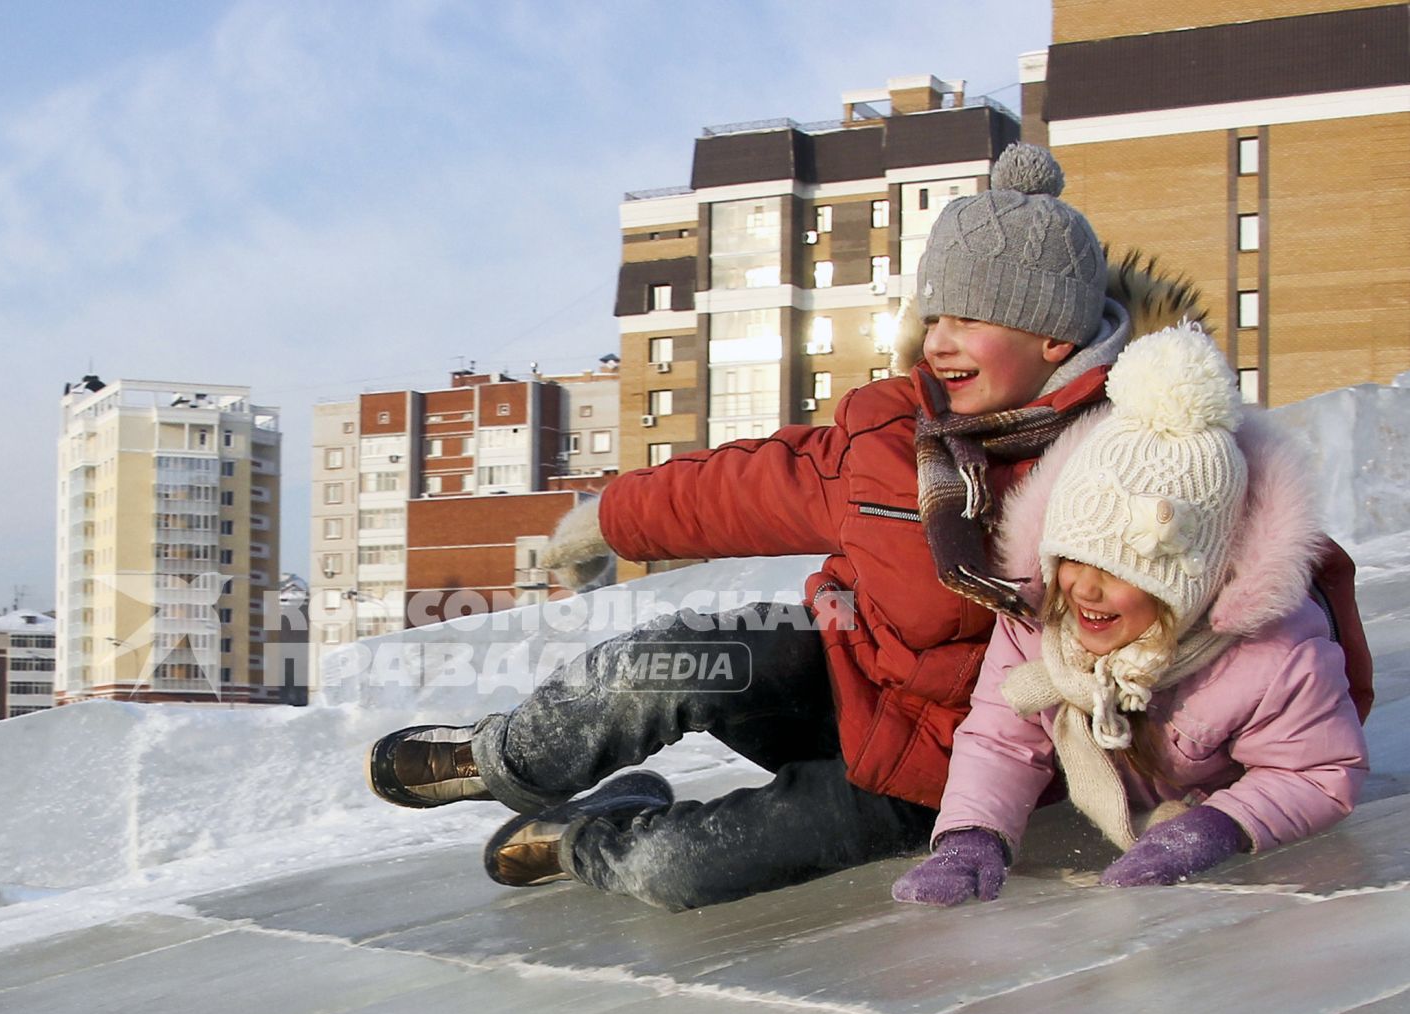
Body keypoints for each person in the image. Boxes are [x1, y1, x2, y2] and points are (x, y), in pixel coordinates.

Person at [368, 143, 1193, 911]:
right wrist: (612, 518)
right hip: (842, 678)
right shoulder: (894, 431)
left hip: (945, 777)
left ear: (1052, 334)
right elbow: (752, 485)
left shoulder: (1137, 463)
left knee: (676, 871)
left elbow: (1262, 599)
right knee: (663, 661)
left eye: (966, 321)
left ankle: (591, 839)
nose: (936, 344)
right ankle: (506, 758)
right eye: (932, 318)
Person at [892, 324, 1367, 905]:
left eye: (1120, 572)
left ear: (1185, 585)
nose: (1085, 588)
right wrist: (971, 836)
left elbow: (1315, 773)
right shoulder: (1038, 622)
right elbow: (1000, 739)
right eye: (1072, 558)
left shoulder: (1272, 656)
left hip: (1212, 804)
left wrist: (1217, 827)